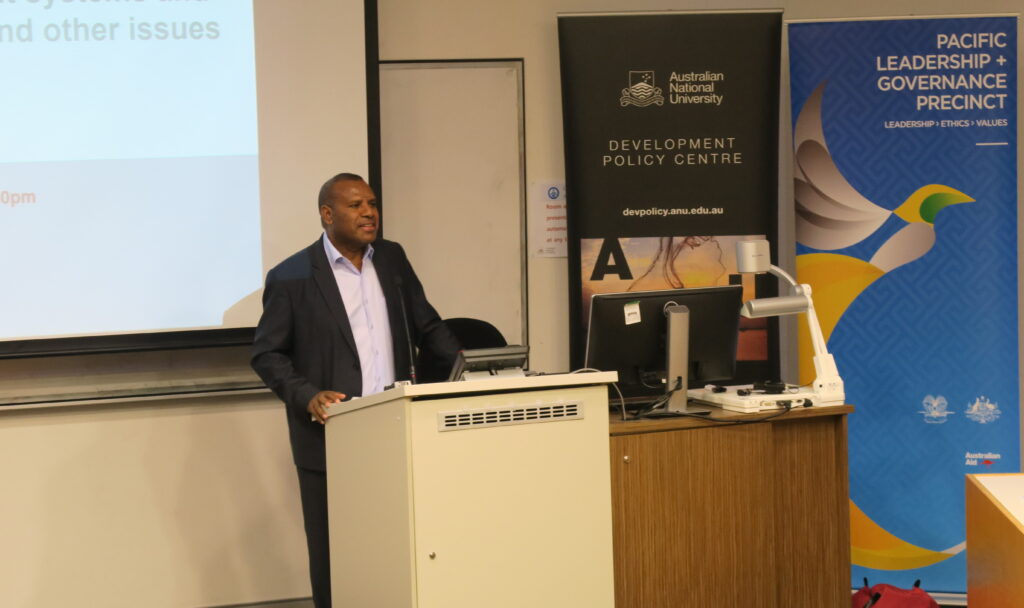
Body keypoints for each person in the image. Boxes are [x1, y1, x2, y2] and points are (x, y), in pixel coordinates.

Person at [251, 172, 460, 608]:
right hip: (331, 435)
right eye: (356, 205)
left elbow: (428, 325)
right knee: (334, 554)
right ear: (327, 215)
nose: (369, 213)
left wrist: (465, 375)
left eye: (373, 203)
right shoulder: (291, 277)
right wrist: (306, 393)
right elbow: (267, 354)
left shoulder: (392, 258)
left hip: (398, 428)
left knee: (397, 543)